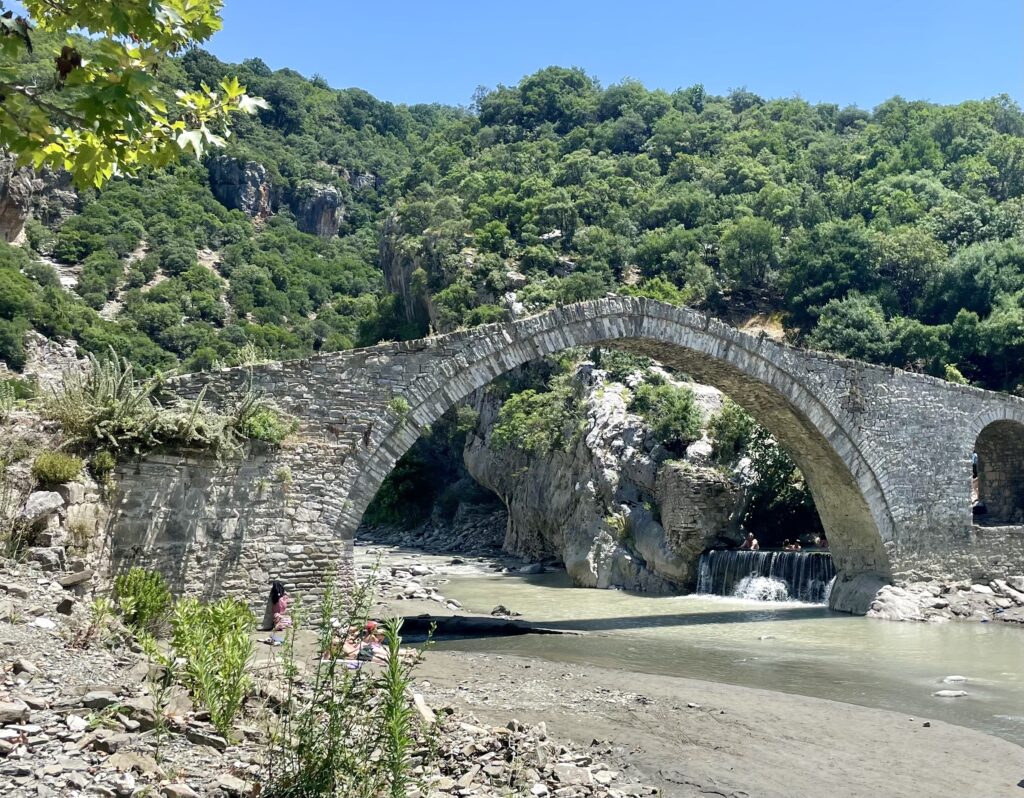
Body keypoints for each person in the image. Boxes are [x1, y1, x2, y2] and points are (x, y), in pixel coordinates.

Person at [268, 580, 291, 646]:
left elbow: (284, 607)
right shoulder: (278, 597)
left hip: (281, 615)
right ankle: (280, 625)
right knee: (278, 617)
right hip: (278, 615)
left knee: (287, 619)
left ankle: (281, 625)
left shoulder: (281, 597)